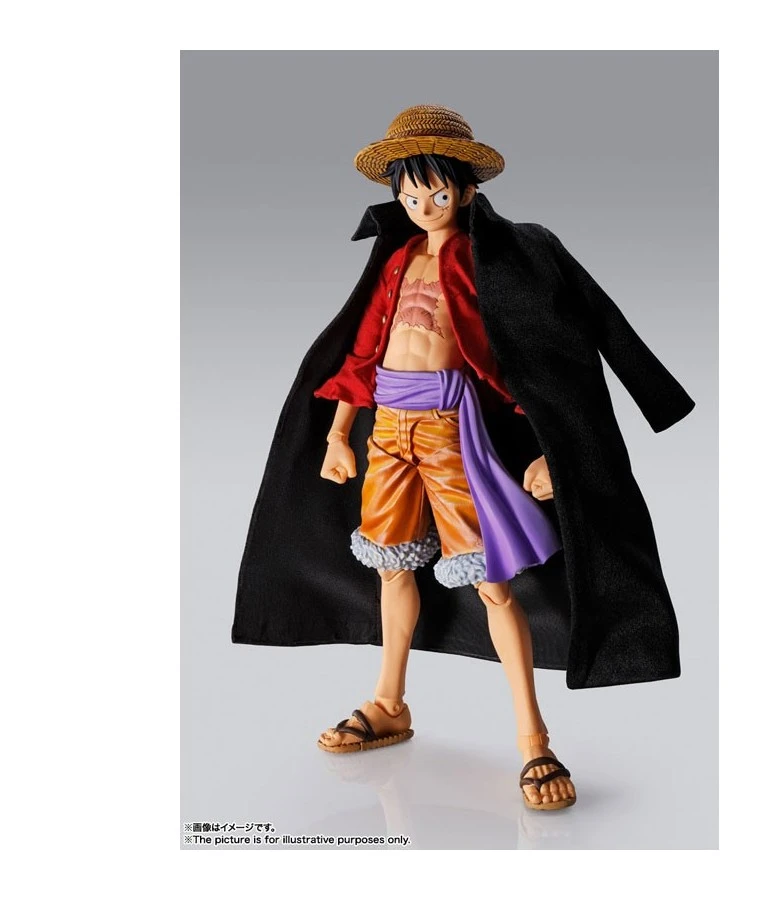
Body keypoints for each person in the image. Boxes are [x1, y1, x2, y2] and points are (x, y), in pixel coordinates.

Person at [232, 104, 695, 812]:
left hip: (453, 431)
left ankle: (533, 739)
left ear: (468, 191)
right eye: (410, 196)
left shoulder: (502, 260)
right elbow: (362, 351)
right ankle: (389, 703)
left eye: (437, 194)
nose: (423, 208)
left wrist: (553, 449)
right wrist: (336, 434)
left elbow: (543, 359)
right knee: (391, 567)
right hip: (389, 429)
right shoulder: (395, 261)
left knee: (492, 580)